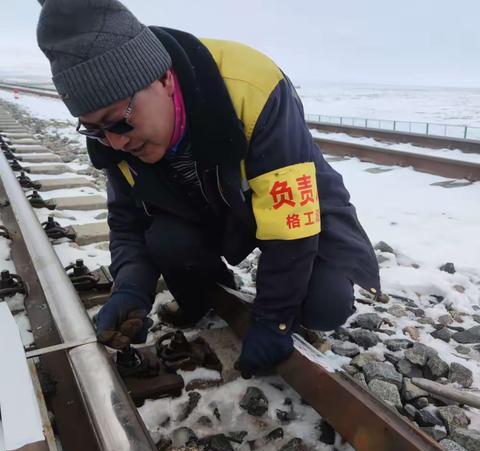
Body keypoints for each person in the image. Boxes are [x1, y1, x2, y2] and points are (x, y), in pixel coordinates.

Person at [36, 0, 380, 377]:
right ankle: (208, 294)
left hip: (299, 206)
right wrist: (131, 288)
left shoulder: (251, 86)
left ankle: (290, 304)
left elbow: (290, 223)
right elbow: (127, 221)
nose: (114, 142)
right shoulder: (113, 139)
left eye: (118, 122)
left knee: (326, 305)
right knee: (166, 240)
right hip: (210, 210)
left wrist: (273, 320)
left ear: (164, 79)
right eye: (95, 129)